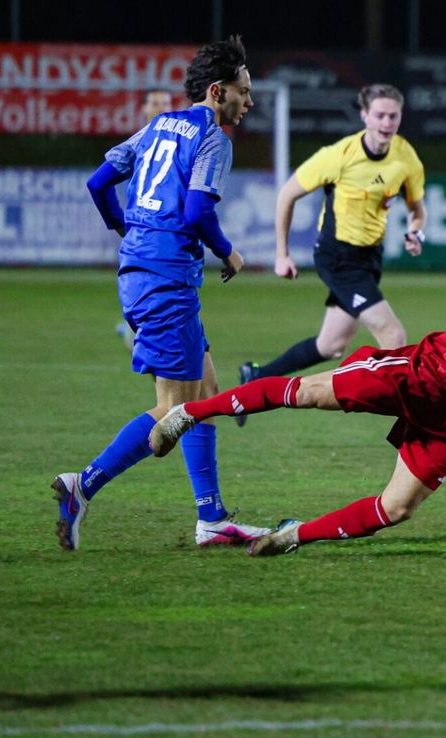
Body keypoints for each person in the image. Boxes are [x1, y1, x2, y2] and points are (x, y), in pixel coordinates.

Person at [148, 236, 446, 557]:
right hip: (414, 375)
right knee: (308, 392)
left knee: (397, 509)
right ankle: (190, 412)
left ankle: (292, 536)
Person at [55, 36, 271, 550]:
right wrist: (230, 253)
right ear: (218, 92)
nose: (251, 101)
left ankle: (212, 519)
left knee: (208, 396)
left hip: (142, 272)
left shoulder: (156, 126)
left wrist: (125, 232)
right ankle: (80, 486)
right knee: (173, 412)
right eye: (244, 91)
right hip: (166, 281)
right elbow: (198, 212)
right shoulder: (213, 139)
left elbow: (98, 182)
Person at [235, 83, 427, 427]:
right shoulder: (338, 155)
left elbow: (417, 207)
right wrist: (282, 254)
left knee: (331, 345)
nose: (386, 122)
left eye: (393, 116)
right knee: (393, 335)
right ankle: (411, 416)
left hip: (369, 259)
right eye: (379, 115)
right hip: (337, 257)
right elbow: (286, 195)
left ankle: (256, 376)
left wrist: (416, 230)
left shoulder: (405, 157)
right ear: (364, 115)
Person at [118, 88, 178, 350]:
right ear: (143, 109)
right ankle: (143, 333)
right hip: (142, 227)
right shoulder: (139, 141)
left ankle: (140, 330)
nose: (162, 108)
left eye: (166, 103)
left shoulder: (177, 141)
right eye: (156, 103)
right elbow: (102, 180)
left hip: (164, 229)